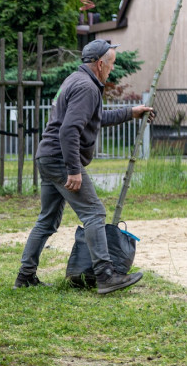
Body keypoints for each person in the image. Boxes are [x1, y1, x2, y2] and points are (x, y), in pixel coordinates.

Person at [15, 39, 154, 295]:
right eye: (111, 64)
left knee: (46, 221)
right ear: (100, 63)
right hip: (60, 160)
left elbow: (96, 118)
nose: (112, 68)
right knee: (94, 214)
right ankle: (105, 275)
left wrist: (130, 112)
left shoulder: (75, 80)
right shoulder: (86, 87)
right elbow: (69, 130)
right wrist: (74, 169)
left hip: (47, 157)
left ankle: (25, 276)